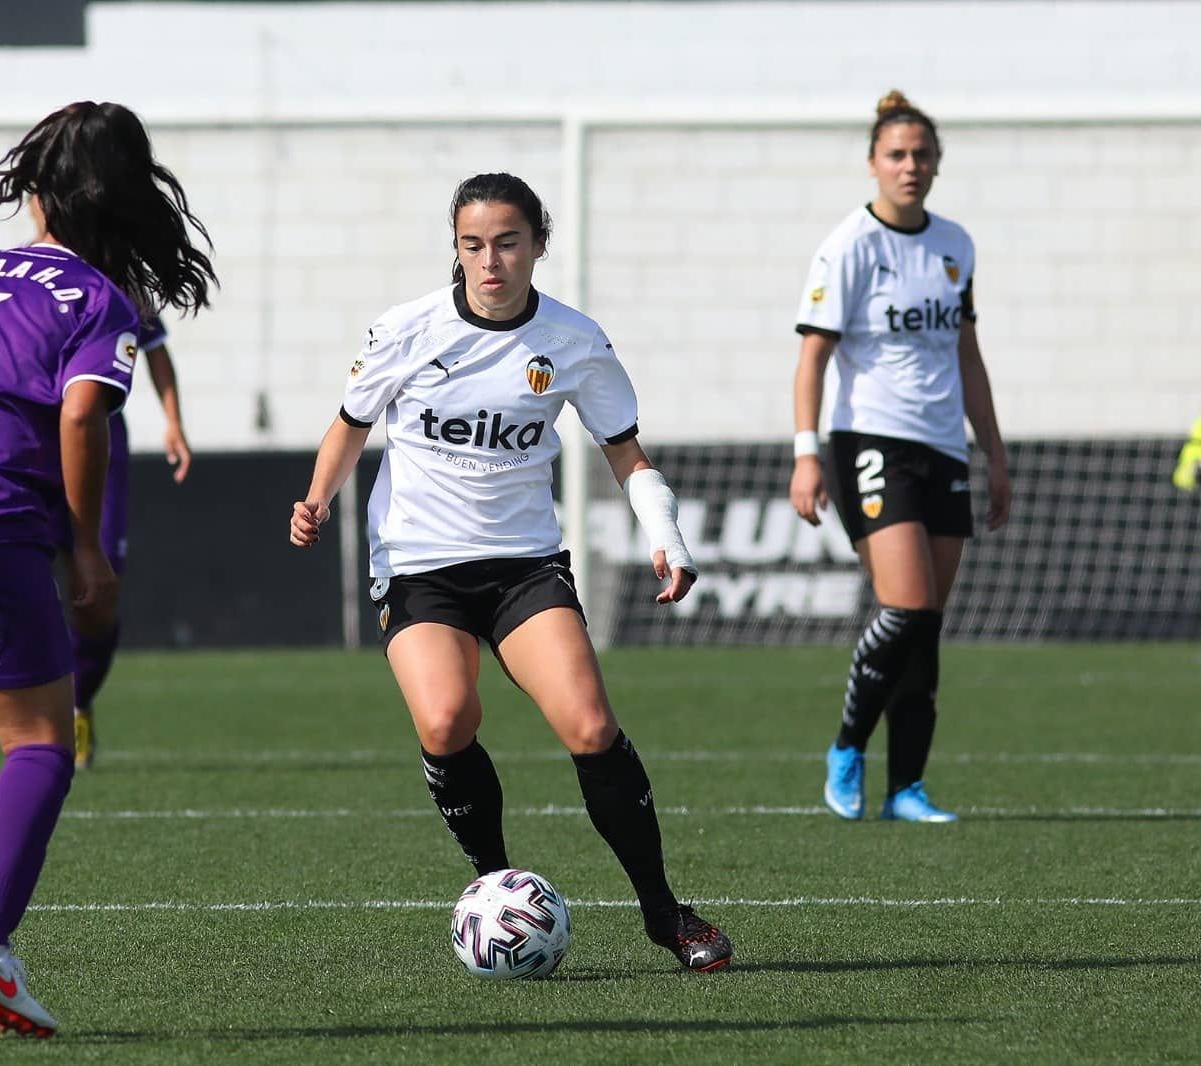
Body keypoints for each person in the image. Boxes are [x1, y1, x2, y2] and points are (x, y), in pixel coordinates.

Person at [290, 172, 733, 973]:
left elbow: (626, 455)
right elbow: (349, 425)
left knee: (591, 727)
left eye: (506, 243)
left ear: (537, 245)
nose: (489, 261)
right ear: (456, 248)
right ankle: (495, 888)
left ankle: (664, 911)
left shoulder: (574, 340)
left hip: (524, 564)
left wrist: (667, 536)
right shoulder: (406, 329)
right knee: (446, 720)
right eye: (472, 245)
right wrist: (316, 499)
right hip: (420, 565)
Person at [0, 100, 216, 1039]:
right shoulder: (97, 296)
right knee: (38, 743)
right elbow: (80, 416)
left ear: (37, 194)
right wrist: (85, 545)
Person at [789, 90, 1011, 823]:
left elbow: (968, 354)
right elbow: (812, 359)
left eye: (921, 154)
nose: (909, 165)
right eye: (896, 155)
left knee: (927, 622)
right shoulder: (850, 246)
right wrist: (806, 454)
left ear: (937, 163)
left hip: (943, 445)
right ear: (873, 164)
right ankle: (847, 747)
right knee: (907, 606)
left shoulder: (955, 245)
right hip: (869, 440)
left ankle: (906, 787)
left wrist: (994, 453)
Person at [71, 309, 191, 770]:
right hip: (29, 438)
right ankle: (39, 713)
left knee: (99, 589)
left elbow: (155, 348)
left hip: (100, 441)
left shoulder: (120, 283)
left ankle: (78, 701)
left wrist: (173, 421)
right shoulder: (19, 277)